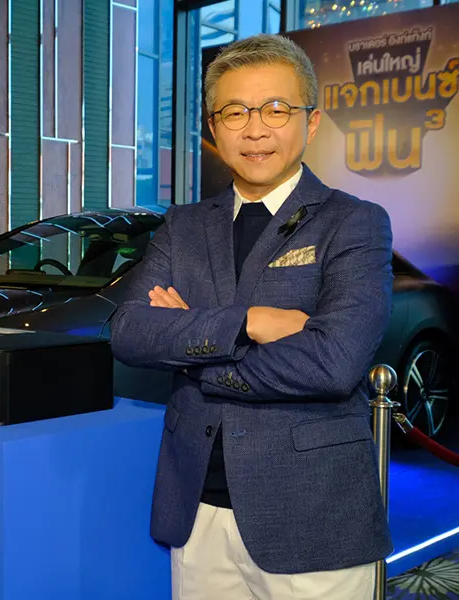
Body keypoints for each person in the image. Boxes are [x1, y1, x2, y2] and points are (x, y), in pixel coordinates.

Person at [109, 33, 394, 600]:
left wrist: (192, 352)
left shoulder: (354, 223)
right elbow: (129, 332)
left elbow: (333, 363)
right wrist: (251, 322)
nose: (255, 129)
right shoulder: (184, 226)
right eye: (235, 112)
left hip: (312, 516)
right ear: (214, 129)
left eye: (276, 109)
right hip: (197, 508)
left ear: (311, 123)